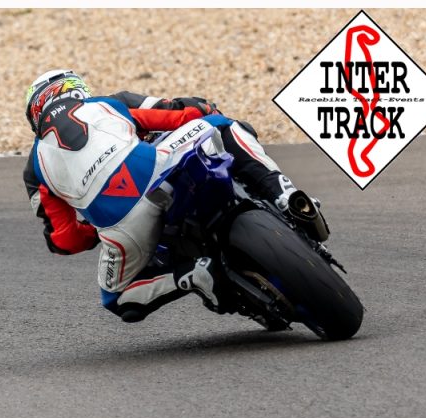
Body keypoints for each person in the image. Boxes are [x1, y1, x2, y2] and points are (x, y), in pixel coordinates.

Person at [22, 69, 327, 323]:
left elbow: (65, 240)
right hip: (158, 171)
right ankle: (285, 193)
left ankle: (191, 274)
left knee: (116, 298)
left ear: (36, 114)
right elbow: (180, 114)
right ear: (76, 89)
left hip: (123, 229)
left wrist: (95, 227)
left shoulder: (34, 169)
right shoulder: (108, 104)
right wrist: (206, 109)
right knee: (223, 126)